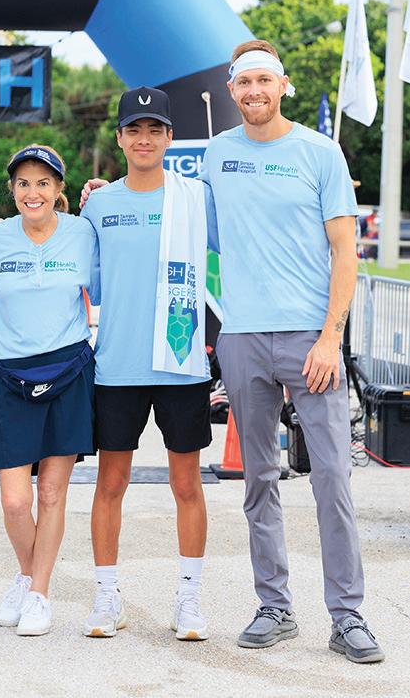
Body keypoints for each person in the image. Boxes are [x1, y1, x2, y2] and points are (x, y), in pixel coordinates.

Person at [200, 40, 384, 664]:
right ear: (232, 90)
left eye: (264, 80)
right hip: (243, 338)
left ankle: (348, 616)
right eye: (243, 82)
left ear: (282, 86)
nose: (253, 91)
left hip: (311, 341)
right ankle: (274, 606)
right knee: (258, 480)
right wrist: (106, 193)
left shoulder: (319, 151)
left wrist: (331, 337)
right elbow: (193, 228)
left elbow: (345, 252)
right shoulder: (218, 155)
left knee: (331, 479)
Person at [78, 88, 213, 640]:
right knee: (111, 483)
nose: (144, 139)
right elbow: (88, 282)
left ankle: (190, 600)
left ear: (170, 138)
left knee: (187, 484)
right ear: (119, 138)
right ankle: (106, 598)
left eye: (155, 129)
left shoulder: (196, 198)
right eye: (134, 129)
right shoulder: (99, 204)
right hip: (118, 365)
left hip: (181, 364)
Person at [0, 145, 99, 636]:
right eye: (23, 183)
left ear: (59, 189)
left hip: (69, 373)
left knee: (52, 492)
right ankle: (27, 577)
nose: (33, 192)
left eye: (43, 182)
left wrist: (104, 196)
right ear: (13, 190)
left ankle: (39, 594)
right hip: (10, 378)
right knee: (15, 502)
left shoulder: (83, 233)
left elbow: (108, 281)